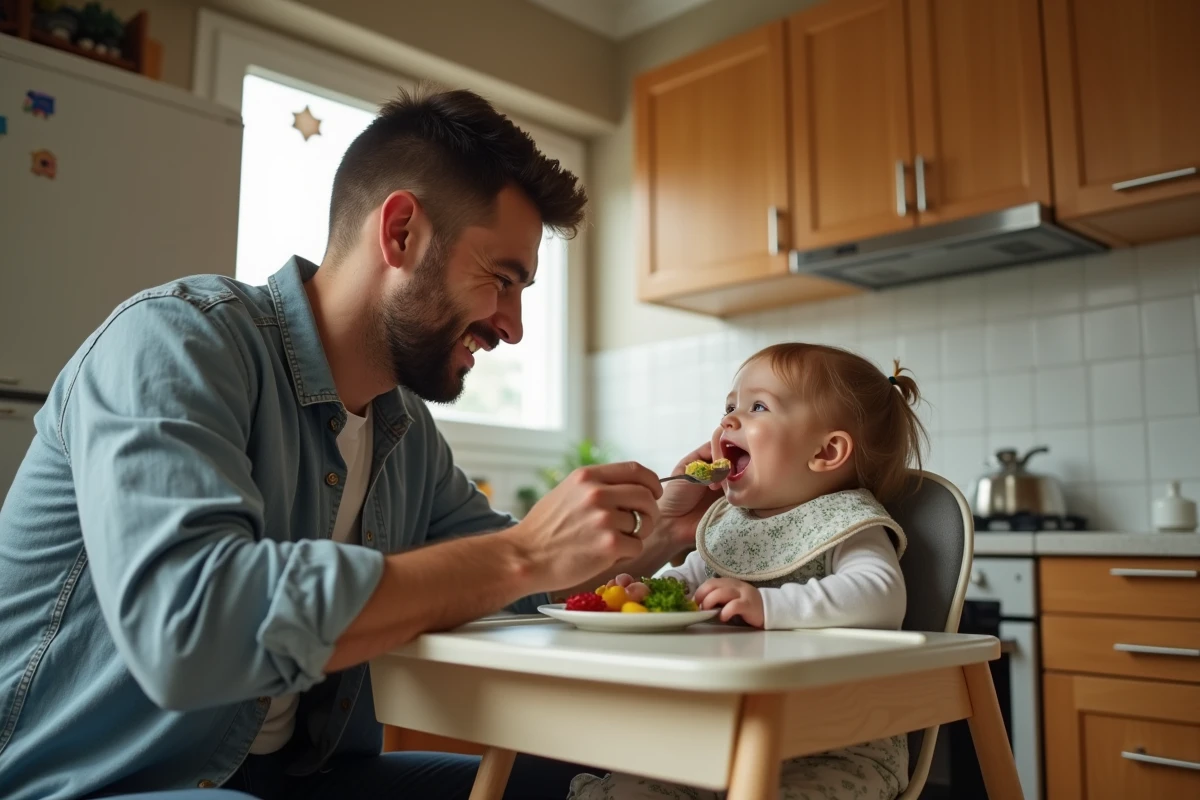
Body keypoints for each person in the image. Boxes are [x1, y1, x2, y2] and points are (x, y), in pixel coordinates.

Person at [0, 87, 705, 800]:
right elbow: (190, 631)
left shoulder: (404, 429)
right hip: (89, 785)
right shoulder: (177, 343)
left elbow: (518, 587)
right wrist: (522, 552)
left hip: (301, 776)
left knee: (585, 781)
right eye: (501, 280)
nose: (513, 326)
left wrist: (663, 531)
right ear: (401, 232)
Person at [569, 343, 928, 800]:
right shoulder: (728, 526)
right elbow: (693, 583)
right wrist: (649, 592)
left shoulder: (845, 520)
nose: (728, 422)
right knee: (627, 789)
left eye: (758, 406)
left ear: (827, 451)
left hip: (838, 748)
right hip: (721, 740)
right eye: (729, 407)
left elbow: (879, 594)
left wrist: (767, 603)